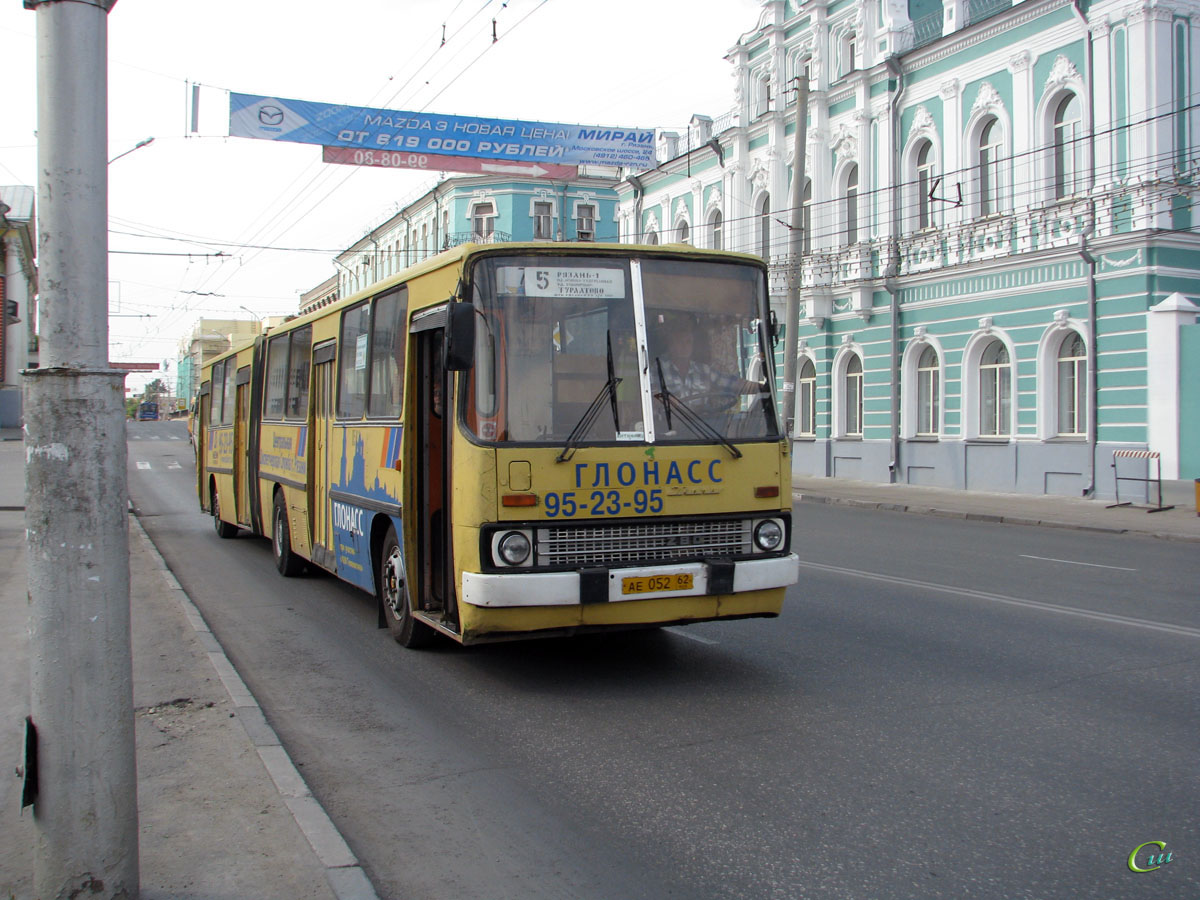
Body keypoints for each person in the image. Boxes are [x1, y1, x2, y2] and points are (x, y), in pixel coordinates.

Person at [652, 313, 760, 400]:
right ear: (670, 344)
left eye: (688, 342)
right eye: (680, 342)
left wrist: (762, 387)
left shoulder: (703, 370)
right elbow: (653, 395)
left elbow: (732, 383)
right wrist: (672, 404)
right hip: (669, 425)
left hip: (701, 423)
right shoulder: (658, 369)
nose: (685, 346)